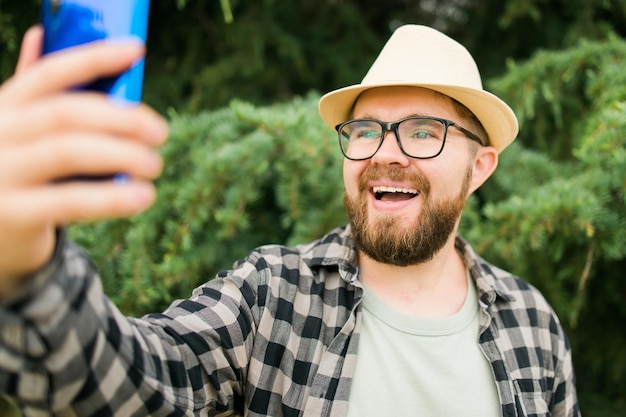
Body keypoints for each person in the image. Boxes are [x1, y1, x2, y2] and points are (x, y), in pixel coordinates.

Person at [0, 23, 580, 417]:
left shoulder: (533, 325)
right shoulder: (273, 293)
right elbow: (139, 381)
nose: (385, 152)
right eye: (365, 131)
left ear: (480, 168)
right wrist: (26, 269)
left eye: (424, 131)